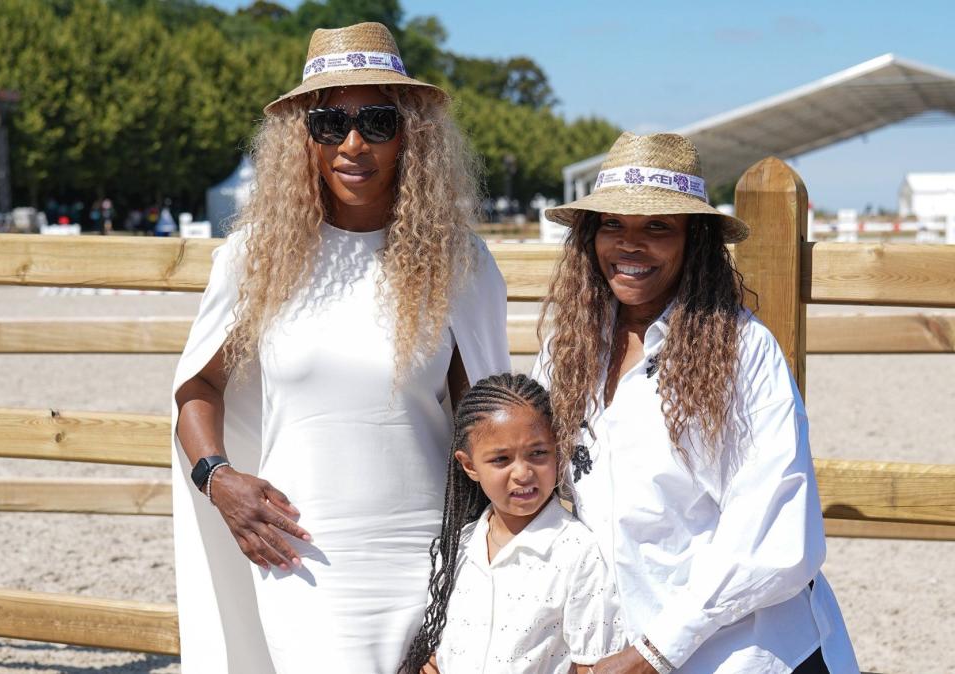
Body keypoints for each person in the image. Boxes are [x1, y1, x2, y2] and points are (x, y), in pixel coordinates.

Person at [171, 22, 509, 673]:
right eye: (330, 123)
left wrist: (483, 571)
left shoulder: (459, 263)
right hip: (297, 557)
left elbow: (488, 422)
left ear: (413, 132)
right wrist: (220, 480)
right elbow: (198, 386)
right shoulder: (255, 259)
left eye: (378, 122)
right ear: (303, 136)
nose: (353, 144)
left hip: (431, 560)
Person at [534, 133, 859, 674]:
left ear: (695, 240)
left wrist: (656, 651)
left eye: (657, 226)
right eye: (612, 224)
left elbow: (773, 534)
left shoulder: (742, 350)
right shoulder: (567, 352)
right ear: (590, 235)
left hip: (747, 653)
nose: (629, 244)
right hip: (625, 646)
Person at [400, 373, 625, 674]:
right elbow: (441, 651)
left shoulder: (578, 553)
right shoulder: (457, 548)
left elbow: (592, 663)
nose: (522, 472)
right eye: (501, 460)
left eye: (538, 453)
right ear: (469, 466)